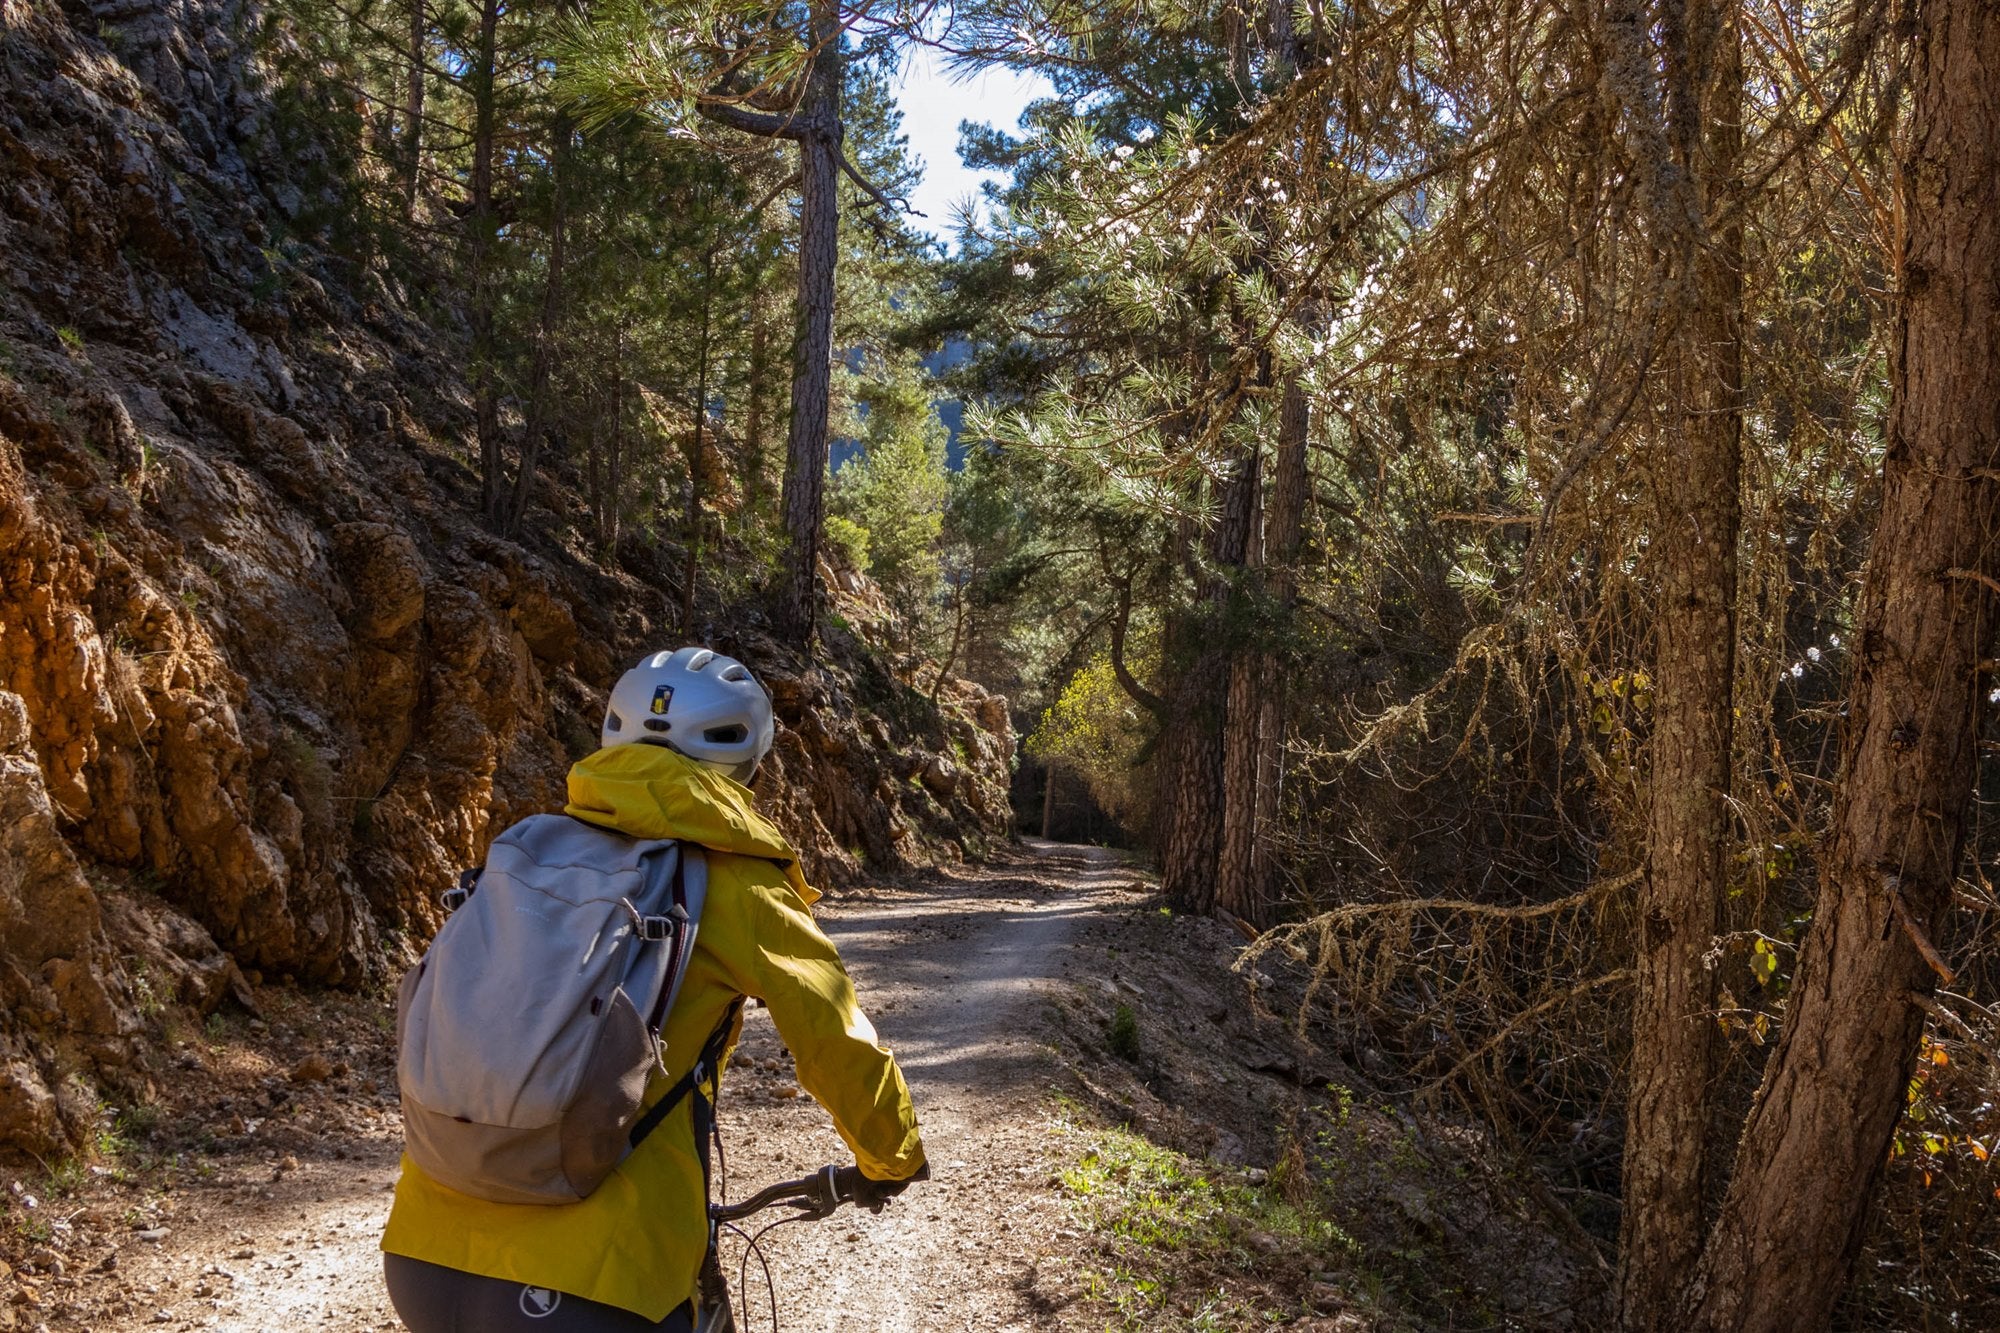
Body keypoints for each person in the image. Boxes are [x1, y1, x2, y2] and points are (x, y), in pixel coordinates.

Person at [380, 646, 927, 1331]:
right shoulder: (737, 882)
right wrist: (891, 1156)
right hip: (600, 1287)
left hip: (424, 1258)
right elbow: (834, 1034)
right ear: (746, 764)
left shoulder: (528, 849)